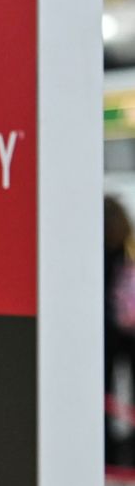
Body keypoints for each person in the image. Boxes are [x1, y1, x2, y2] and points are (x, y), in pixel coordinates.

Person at [106, 196, 135, 466]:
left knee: (105, 392)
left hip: (107, 334)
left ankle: (110, 451)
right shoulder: (125, 247)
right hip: (126, 330)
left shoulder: (99, 250)